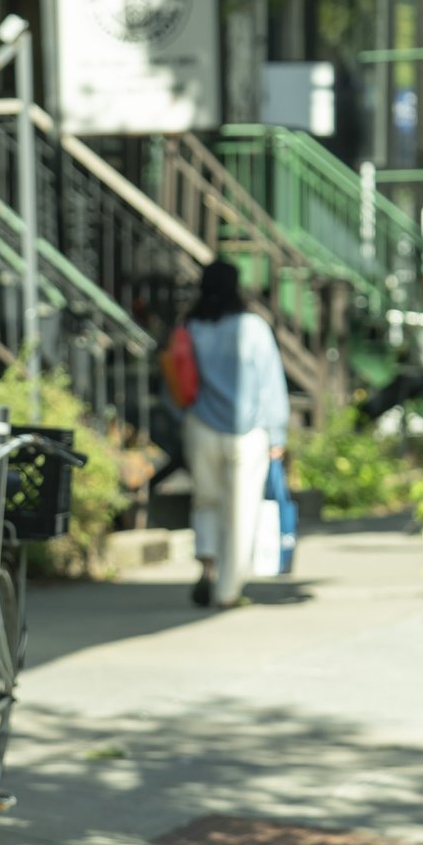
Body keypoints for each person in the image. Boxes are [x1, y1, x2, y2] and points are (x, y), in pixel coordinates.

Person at [179, 259, 289, 609]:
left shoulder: (191, 326)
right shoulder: (253, 327)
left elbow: (175, 379)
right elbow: (271, 383)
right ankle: (228, 591)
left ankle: (207, 565)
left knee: (206, 501)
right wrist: (277, 433)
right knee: (242, 512)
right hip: (249, 432)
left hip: (201, 426)